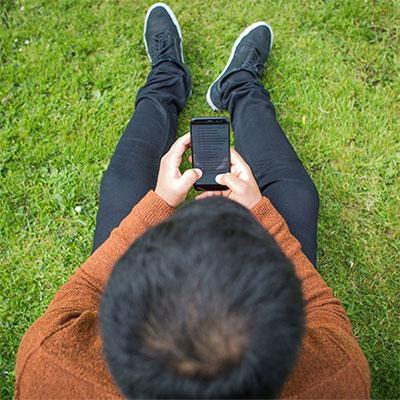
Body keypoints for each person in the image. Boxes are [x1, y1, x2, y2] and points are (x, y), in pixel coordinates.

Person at [15, 3, 371, 399]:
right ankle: (240, 85)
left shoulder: (52, 367)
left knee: (122, 184)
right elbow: (324, 310)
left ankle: (166, 77)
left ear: (114, 325)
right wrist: (261, 213)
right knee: (296, 196)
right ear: (288, 341)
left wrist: (160, 203)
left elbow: (81, 290)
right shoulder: (338, 377)